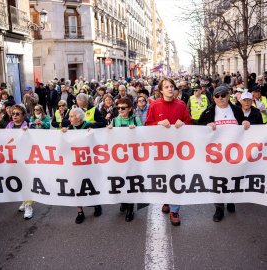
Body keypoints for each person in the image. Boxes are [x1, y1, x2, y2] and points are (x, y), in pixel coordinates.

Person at [198, 86, 250, 222]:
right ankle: (219, 208)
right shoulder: (209, 111)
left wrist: (246, 123)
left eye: (223, 95)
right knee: (218, 182)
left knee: (233, 179)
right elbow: (198, 128)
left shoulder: (237, 111)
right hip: (217, 155)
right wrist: (206, 126)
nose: (220, 98)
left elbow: (247, 128)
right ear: (213, 98)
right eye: (217, 96)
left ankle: (231, 201)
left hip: (234, 154)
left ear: (228, 96)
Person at [145, 77, 193, 226]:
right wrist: (157, 123)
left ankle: (174, 210)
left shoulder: (181, 104)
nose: (170, 89)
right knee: (163, 178)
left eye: (172, 86)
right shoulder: (154, 106)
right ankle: (166, 200)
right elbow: (147, 126)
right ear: (161, 90)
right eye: (166, 87)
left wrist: (183, 123)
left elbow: (190, 123)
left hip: (177, 150)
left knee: (175, 179)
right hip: (159, 151)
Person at [61, 108, 102, 224]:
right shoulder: (69, 129)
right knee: (76, 186)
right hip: (75, 164)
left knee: (91, 185)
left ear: (79, 118)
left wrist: (95, 131)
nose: (69, 119)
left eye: (71, 117)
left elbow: (101, 138)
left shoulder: (90, 126)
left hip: (89, 163)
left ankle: (96, 205)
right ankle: (80, 211)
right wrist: (63, 134)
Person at [107, 97, 142, 222]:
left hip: (132, 157)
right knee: (120, 181)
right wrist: (108, 131)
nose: (120, 110)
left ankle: (130, 208)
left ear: (130, 108)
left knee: (130, 182)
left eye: (123, 108)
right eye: (118, 108)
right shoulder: (115, 121)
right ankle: (123, 201)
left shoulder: (135, 120)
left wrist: (137, 131)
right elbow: (107, 138)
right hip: (118, 158)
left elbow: (144, 138)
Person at [6, 104, 36, 219]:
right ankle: (24, 200)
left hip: (27, 160)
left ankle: (29, 205)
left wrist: (29, 131)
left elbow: (39, 136)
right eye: (13, 113)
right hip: (14, 159)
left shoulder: (29, 125)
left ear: (23, 115)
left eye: (17, 113)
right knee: (19, 181)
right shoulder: (9, 126)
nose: (14, 116)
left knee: (27, 181)